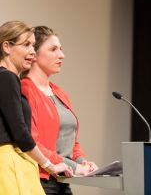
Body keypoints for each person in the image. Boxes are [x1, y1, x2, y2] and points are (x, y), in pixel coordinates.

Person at [0, 21, 73, 195]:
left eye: (33, 46)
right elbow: (21, 134)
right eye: (26, 45)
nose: (32, 52)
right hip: (12, 169)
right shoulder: (7, 78)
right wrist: (50, 166)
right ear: (7, 47)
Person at [21, 26, 98, 195]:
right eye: (53, 49)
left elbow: (71, 142)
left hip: (62, 179)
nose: (61, 55)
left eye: (61, 49)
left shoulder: (60, 92)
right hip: (40, 179)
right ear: (34, 54)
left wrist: (83, 162)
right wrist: (75, 166)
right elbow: (31, 142)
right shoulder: (26, 89)